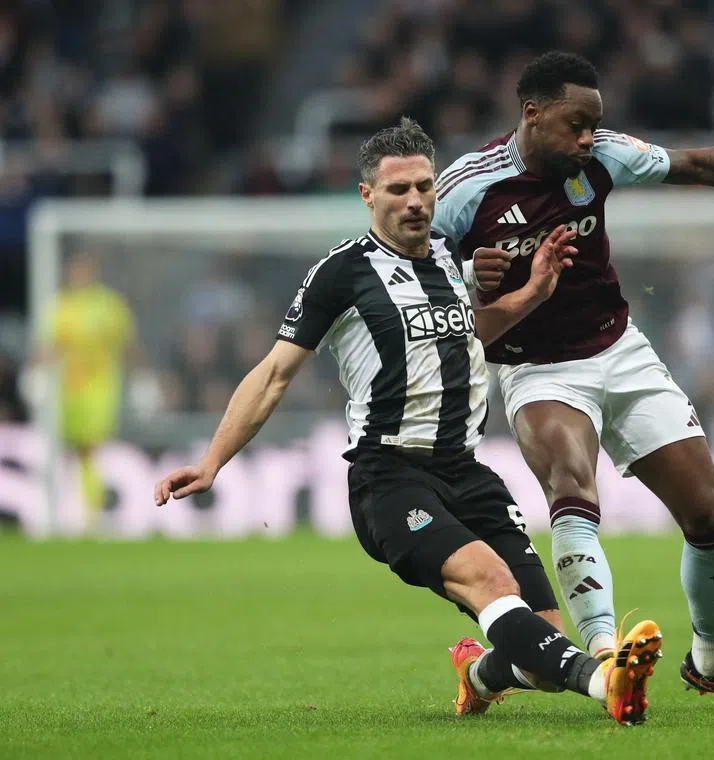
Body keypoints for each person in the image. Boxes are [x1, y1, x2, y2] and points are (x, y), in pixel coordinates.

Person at [153, 118, 664, 726]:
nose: (416, 201)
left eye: (424, 186)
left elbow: (470, 335)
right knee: (489, 579)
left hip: (466, 472)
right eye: (399, 190)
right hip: (389, 477)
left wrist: (533, 293)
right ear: (367, 196)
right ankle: (605, 680)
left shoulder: (454, 260)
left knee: (537, 643)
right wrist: (212, 463)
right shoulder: (341, 274)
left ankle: (477, 677)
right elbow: (272, 375)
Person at [433, 50, 714, 710]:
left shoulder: (601, 157)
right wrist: (465, 278)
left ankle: (711, 660)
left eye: (594, 125)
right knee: (573, 488)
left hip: (620, 350)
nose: (586, 138)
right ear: (532, 114)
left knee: (710, 518)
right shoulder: (466, 188)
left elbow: (693, 164)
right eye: (575, 124)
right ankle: (604, 659)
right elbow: (413, 275)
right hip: (537, 368)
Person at [34, 251, 140, 518]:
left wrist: (142, 378)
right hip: (67, 391)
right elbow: (51, 346)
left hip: (101, 389)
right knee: (71, 451)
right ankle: (71, 509)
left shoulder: (109, 305)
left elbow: (128, 345)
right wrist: (34, 372)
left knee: (92, 448)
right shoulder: (60, 305)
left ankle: (92, 513)